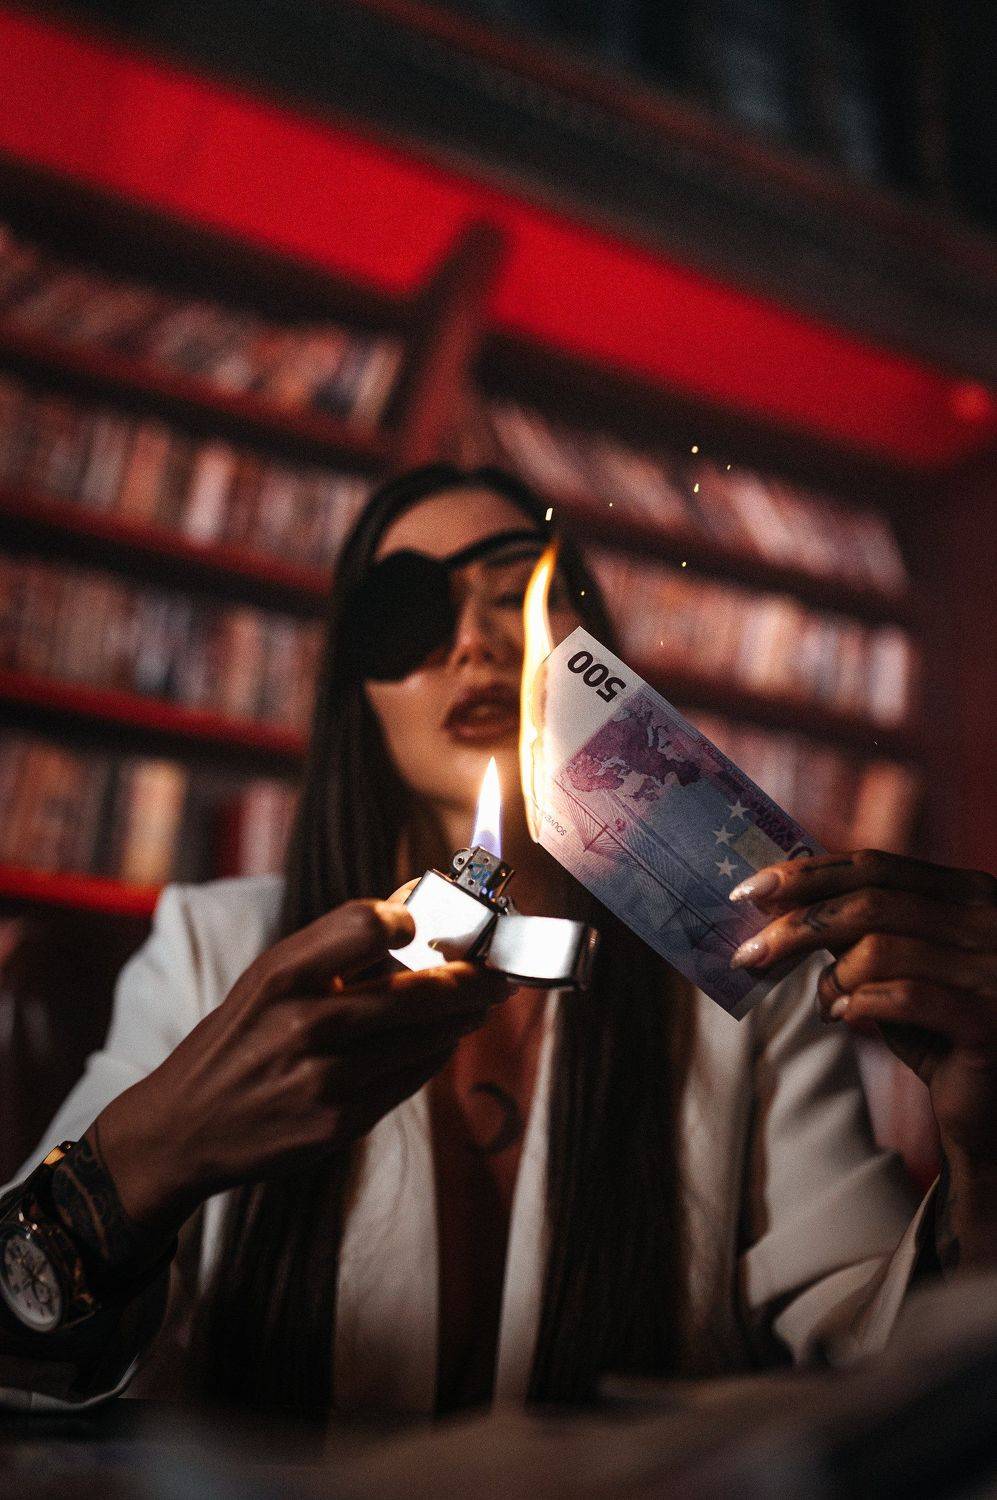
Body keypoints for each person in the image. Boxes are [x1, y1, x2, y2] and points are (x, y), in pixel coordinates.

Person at [1, 464, 994, 1421]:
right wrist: (150, 1156)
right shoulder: (209, 952)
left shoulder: (741, 977)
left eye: (519, 593)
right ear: (357, 690)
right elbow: (19, 1355)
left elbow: (889, 1360)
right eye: (408, 612)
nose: (476, 642)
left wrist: (984, 1161)